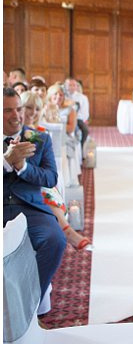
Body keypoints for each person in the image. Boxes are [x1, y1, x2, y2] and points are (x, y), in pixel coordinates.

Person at [3, 87, 66, 299]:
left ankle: (26, 304)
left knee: (55, 240)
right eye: (8, 110)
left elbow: (50, 178)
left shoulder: (39, 139)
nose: (17, 115)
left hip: (29, 208)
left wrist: (23, 168)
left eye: (19, 108)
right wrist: (6, 161)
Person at [21, 91, 91, 251]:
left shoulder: (41, 132)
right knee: (45, 195)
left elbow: (48, 167)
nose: (33, 113)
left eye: (37, 109)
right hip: (23, 179)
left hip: (38, 178)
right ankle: (69, 233)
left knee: (50, 193)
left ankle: (63, 234)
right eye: (28, 108)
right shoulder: (14, 133)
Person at [64, 77, 90, 148]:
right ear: (65, 86)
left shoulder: (82, 97)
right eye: (69, 85)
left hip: (78, 119)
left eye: (74, 85)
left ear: (76, 86)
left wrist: (74, 118)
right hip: (64, 118)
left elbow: (85, 113)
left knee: (85, 130)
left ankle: (81, 148)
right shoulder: (62, 96)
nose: (72, 87)